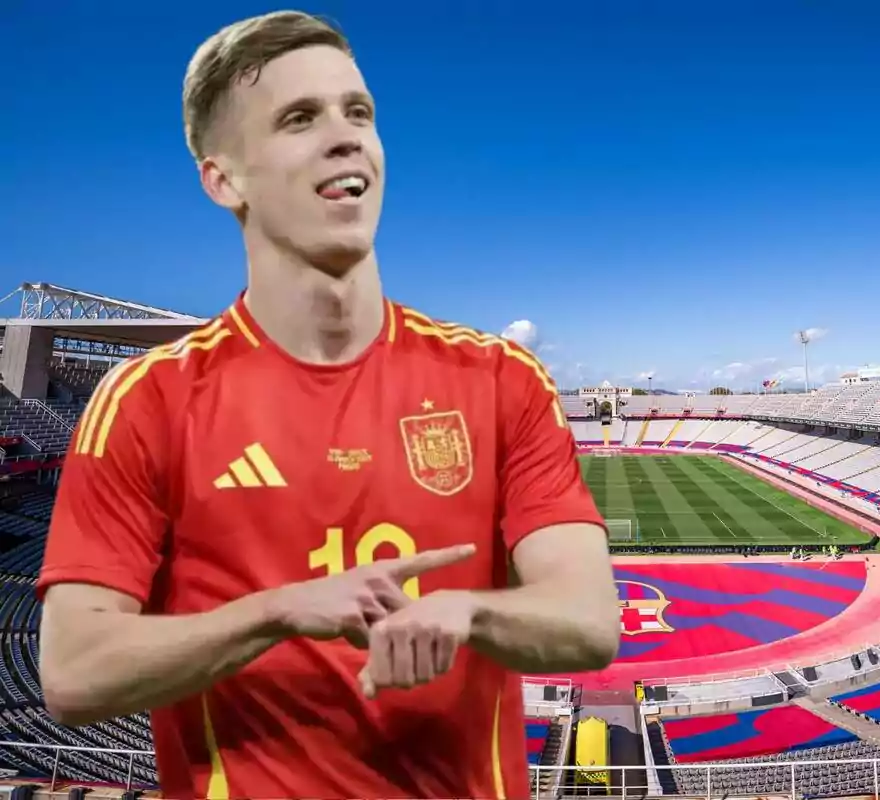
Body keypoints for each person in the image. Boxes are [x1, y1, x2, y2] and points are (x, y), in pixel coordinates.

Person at [35, 10, 620, 800]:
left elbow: (588, 620)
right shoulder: (148, 401)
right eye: (299, 119)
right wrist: (274, 613)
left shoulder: (499, 378)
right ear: (223, 178)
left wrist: (467, 616)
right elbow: (73, 674)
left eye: (360, 113)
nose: (347, 137)